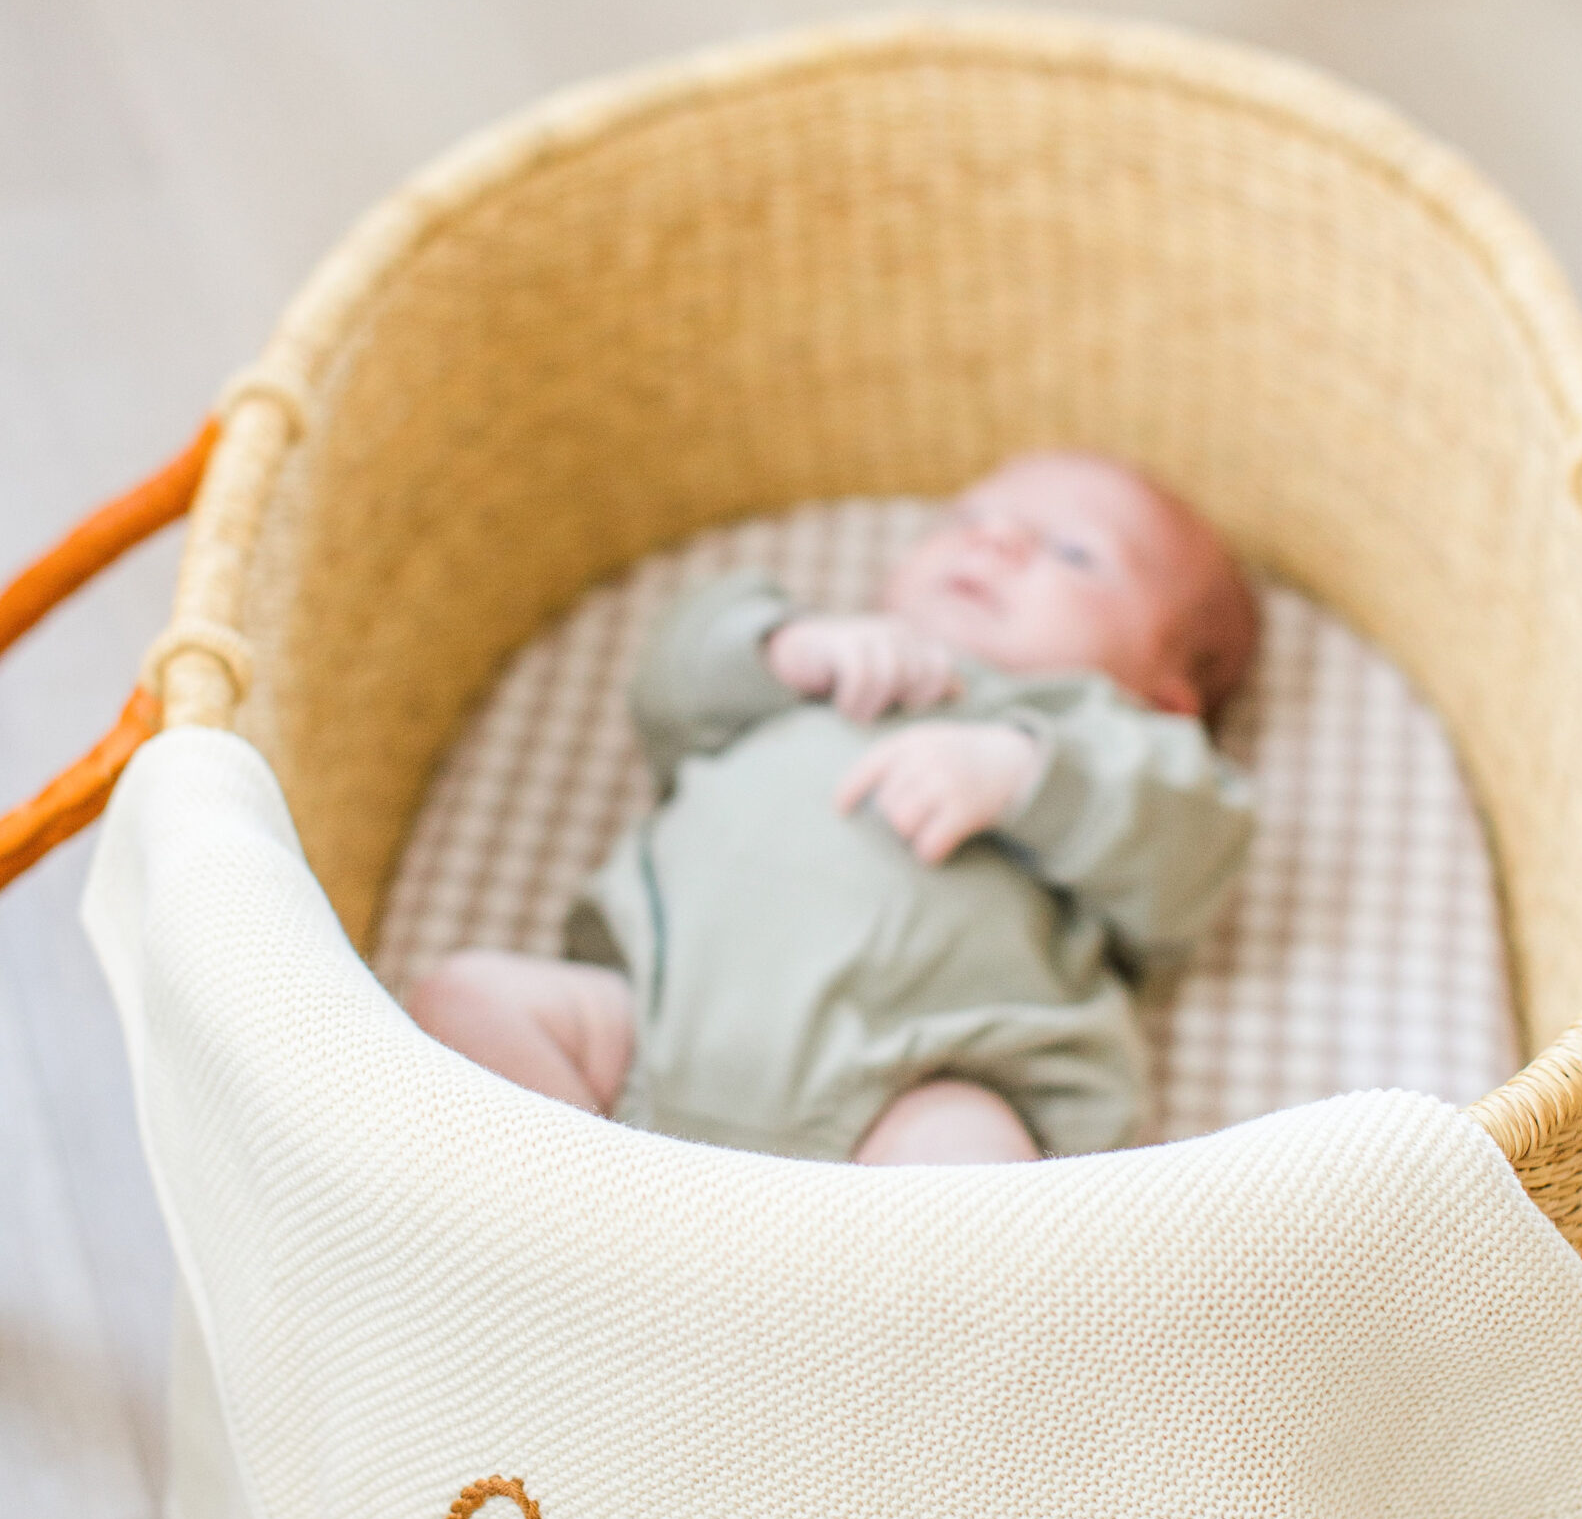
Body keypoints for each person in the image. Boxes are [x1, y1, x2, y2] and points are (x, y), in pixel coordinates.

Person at [408, 452, 1258, 1164]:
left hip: (910, 1093)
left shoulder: (1116, 744)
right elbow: (666, 689)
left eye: (1072, 553)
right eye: (966, 518)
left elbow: (1190, 854)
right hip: (640, 1038)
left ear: (1166, 690)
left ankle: (848, 1336)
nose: (993, 541)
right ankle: (578, 1245)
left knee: (976, 1175)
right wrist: (787, 649)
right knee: (464, 1000)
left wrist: (1022, 773)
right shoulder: (821, 666)